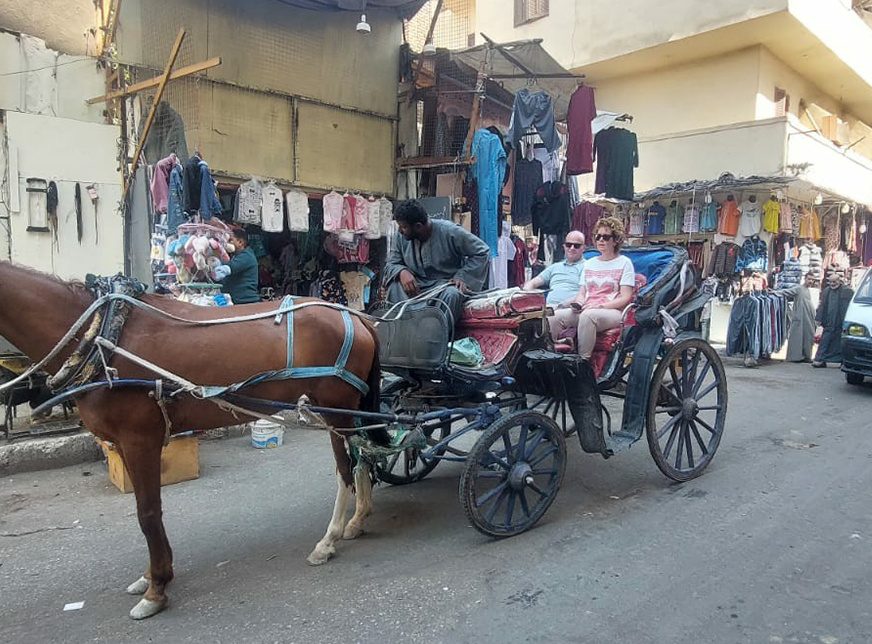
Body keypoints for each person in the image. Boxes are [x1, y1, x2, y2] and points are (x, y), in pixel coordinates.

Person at [382, 199, 490, 325]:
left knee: (453, 294)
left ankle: (436, 337)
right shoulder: (401, 237)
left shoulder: (450, 231)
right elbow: (391, 263)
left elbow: (482, 251)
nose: (400, 231)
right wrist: (401, 271)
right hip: (416, 287)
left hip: (443, 287)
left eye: (404, 227)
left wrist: (462, 277)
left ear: (418, 226)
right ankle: (403, 331)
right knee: (394, 287)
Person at [548, 217, 635, 359]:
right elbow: (582, 293)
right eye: (598, 236)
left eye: (606, 237)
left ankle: (583, 362)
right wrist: (579, 304)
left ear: (615, 240)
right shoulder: (590, 264)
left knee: (588, 316)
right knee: (554, 317)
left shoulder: (625, 263)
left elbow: (626, 297)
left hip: (612, 311)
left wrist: (600, 307)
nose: (601, 240)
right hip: (586, 308)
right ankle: (553, 357)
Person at [523, 231, 586, 308]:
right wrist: (528, 295)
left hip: (571, 309)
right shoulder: (555, 267)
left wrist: (560, 306)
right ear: (564, 246)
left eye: (576, 246)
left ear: (583, 248)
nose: (572, 248)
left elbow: (585, 294)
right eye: (568, 245)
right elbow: (532, 283)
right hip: (548, 309)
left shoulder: (587, 267)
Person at [812, 272, 853, 368]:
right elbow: (822, 306)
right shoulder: (826, 291)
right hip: (829, 322)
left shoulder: (847, 291)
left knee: (840, 342)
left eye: (834, 282)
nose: (832, 284)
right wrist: (819, 318)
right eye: (830, 282)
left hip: (841, 322)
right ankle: (819, 359)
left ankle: (841, 361)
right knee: (825, 341)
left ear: (839, 281)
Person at [779, 272, 817, 363]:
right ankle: (795, 357)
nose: (810, 281)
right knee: (797, 336)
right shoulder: (799, 288)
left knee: (808, 336)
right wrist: (775, 292)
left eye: (812, 279)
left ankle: (807, 356)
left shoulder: (809, 290)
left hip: (809, 317)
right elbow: (787, 292)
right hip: (800, 317)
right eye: (809, 279)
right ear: (805, 279)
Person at [220, 228, 260, 305]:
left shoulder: (246, 256)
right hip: (236, 300)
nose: (227, 243)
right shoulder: (236, 256)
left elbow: (231, 267)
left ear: (240, 242)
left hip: (245, 301)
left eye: (230, 240)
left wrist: (217, 254)